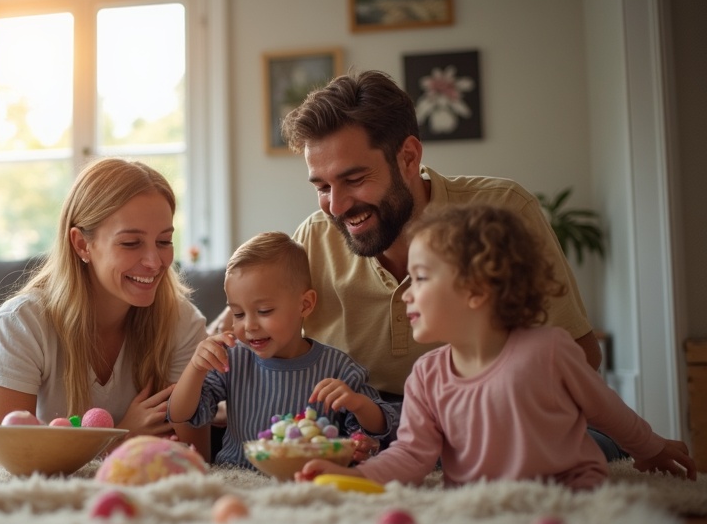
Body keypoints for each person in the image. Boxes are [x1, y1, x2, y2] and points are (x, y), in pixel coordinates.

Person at [210, 69, 626, 460]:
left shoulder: (502, 210)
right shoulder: (313, 238)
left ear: (408, 157)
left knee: (590, 447)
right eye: (322, 186)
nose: (336, 206)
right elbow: (238, 332)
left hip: (487, 415)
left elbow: (580, 355)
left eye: (354, 179)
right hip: (364, 430)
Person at [295, 204, 696, 489]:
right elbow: (412, 455)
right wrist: (358, 477)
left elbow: (606, 410)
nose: (405, 296)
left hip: (567, 493)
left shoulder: (548, 351)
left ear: (475, 290)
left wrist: (650, 448)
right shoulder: (427, 375)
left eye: (420, 279)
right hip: (477, 504)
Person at [0, 157, 210, 467]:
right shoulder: (22, 321)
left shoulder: (183, 323)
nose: (155, 261)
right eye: (131, 243)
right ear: (81, 244)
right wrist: (122, 439)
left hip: (20, 400)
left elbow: (194, 458)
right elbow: (9, 461)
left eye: (164, 241)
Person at [167, 231, 399, 468]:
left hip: (309, 481)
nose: (249, 326)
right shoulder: (232, 360)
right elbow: (180, 414)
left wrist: (357, 403)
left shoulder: (338, 368)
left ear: (305, 304)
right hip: (238, 478)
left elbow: (381, 426)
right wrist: (196, 367)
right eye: (238, 314)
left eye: (265, 311)